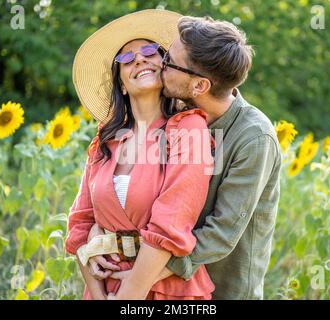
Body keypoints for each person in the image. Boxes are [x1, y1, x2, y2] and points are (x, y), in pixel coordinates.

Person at [89, 15, 282, 300]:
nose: (158, 65)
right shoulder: (175, 118)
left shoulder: (254, 139)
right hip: (159, 287)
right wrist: (97, 236)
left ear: (199, 86)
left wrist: (141, 279)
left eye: (168, 62)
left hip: (224, 286)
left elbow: (221, 233)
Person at [65, 9, 215, 300]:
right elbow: (80, 225)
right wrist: (98, 295)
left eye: (150, 51)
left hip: (168, 291)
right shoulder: (105, 141)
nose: (139, 59)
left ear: (166, 66)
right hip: (105, 289)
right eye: (125, 58)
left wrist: (127, 297)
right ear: (121, 82)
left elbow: (171, 223)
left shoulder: (189, 129)